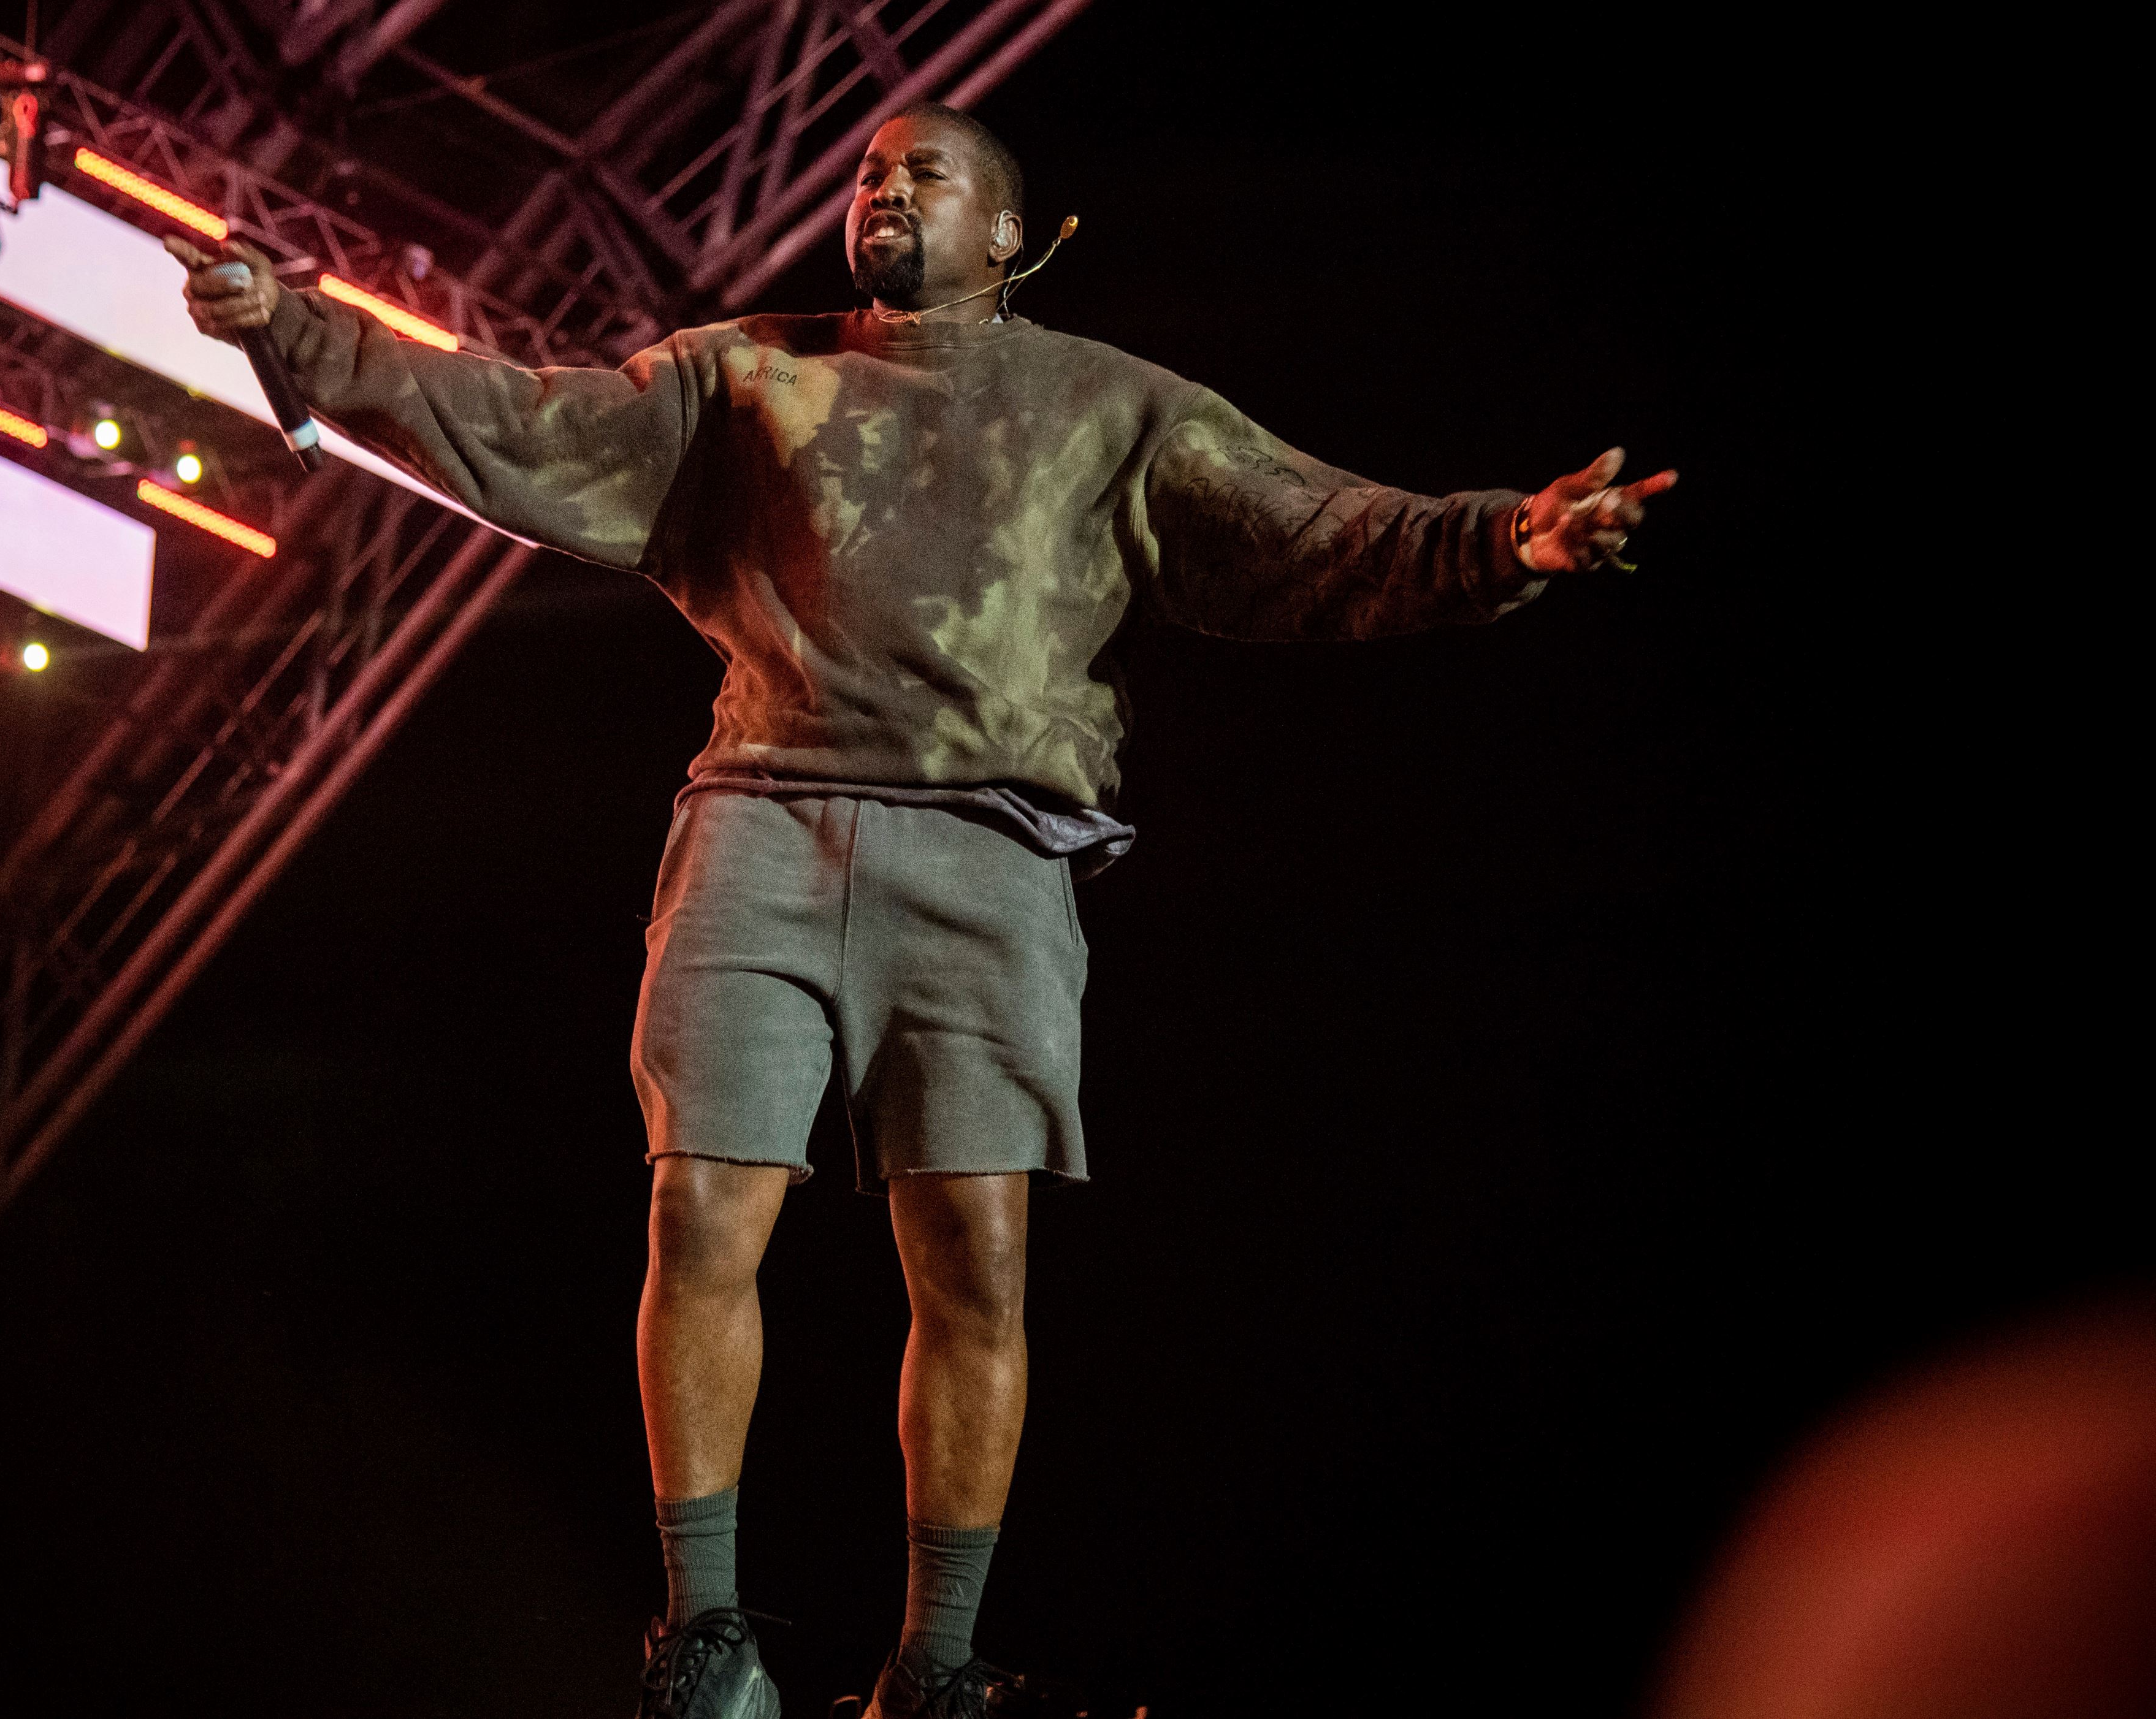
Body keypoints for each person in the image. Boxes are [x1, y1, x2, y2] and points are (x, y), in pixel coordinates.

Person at [172, 101, 1673, 1719]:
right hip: (761, 817)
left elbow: (1312, 525)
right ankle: (706, 1635)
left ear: (1011, 239)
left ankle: (937, 1669)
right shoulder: (746, 370)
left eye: (923, 173)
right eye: (867, 170)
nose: (881, 187)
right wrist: (301, 332)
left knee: (979, 1252)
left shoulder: (1110, 403)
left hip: (993, 854)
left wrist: (1506, 537)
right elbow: (518, 416)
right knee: (702, 1208)